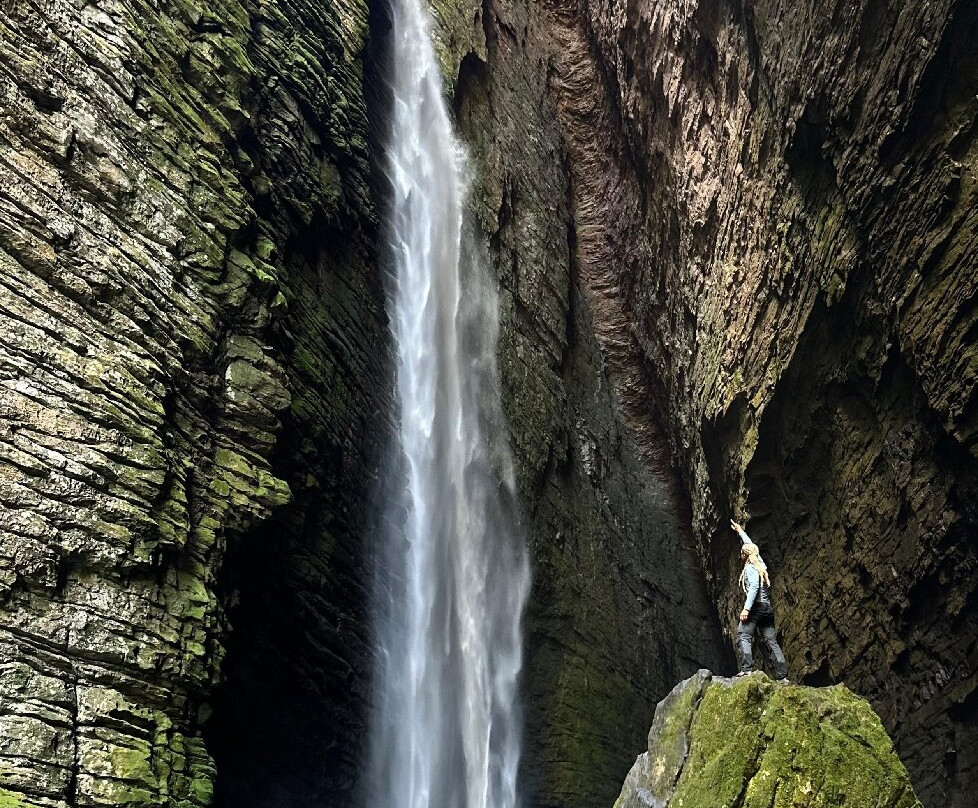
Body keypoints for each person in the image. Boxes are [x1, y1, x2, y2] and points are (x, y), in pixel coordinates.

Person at [730, 519, 789, 682]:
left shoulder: (750, 568)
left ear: (745, 555)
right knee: (771, 641)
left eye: (742, 553)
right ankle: (782, 676)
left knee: (743, 635)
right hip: (767, 608)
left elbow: (754, 587)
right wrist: (740, 532)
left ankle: (746, 670)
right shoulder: (760, 564)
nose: (740, 555)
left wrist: (746, 609)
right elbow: (751, 546)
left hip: (755, 607)